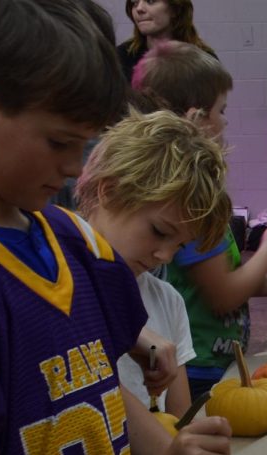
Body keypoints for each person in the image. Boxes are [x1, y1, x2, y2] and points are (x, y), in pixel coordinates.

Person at [0, 0, 233, 455]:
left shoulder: (76, 241)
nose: (74, 166)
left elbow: (102, 390)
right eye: (60, 141)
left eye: (83, 143)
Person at [132, 41, 267, 397]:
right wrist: (266, 252)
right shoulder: (189, 201)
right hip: (196, 366)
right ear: (197, 118)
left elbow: (208, 281)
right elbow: (222, 296)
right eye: (222, 110)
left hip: (213, 357)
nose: (226, 121)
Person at [75, 110, 232, 417]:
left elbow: (177, 424)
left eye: (180, 246)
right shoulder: (52, 287)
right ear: (110, 190)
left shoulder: (167, 302)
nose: (165, 256)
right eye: (159, 232)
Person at [116, 0, 216, 82]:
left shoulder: (204, 62)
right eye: (134, 3)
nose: (139, 9)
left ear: (175, 9)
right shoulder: (120, 57)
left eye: (150, 1)